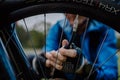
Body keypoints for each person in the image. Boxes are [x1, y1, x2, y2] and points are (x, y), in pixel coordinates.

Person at [32, 14, 118, 80]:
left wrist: (84, 67)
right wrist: (47, 62)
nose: (69, 14)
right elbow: (48, 54)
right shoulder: (57, 28)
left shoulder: (104, 30)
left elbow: (111, 74)